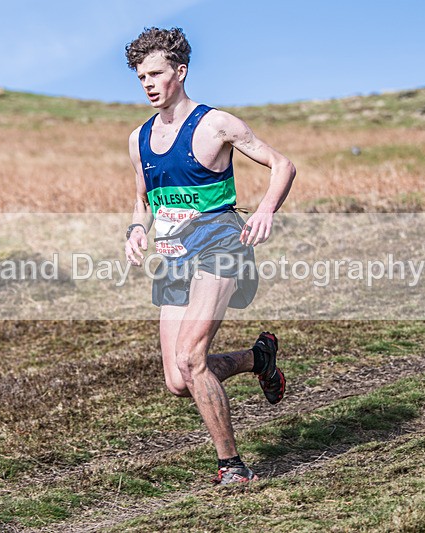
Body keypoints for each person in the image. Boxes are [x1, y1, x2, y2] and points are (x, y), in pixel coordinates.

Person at [123, 27, 296, 485]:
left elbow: (283, 164)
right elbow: (144, 202)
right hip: (174, 257)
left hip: (221, 247)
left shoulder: (215, 124)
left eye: (156, 73)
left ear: (180, 71)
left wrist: (265, 209)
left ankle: (231, 466)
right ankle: (258, 359)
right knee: (178, 380)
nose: (148, 83)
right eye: (141, 76)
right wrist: (136, 231)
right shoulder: (138, 139)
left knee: (192, 357)